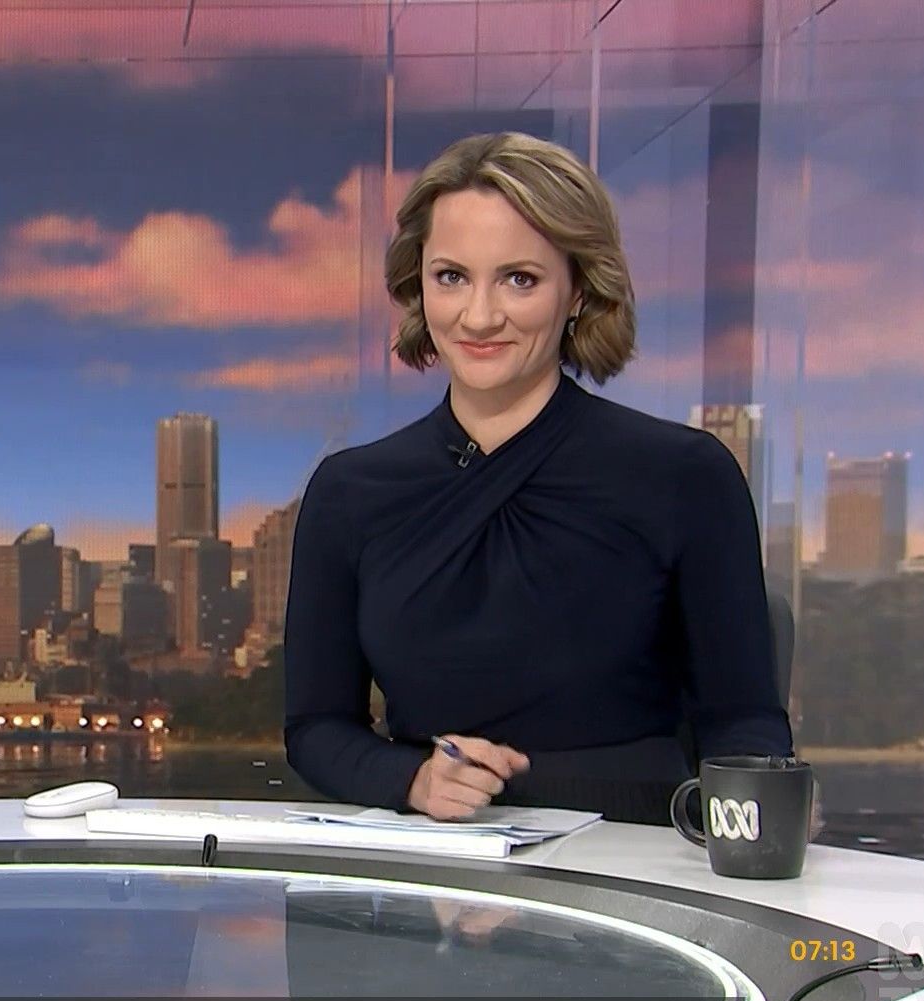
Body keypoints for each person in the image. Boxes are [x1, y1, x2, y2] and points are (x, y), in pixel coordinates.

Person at [283, 131, 793, 825]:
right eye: (451, 277)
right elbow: (316, 728)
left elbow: (743, 723)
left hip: (636, 853)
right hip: (438, 855)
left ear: (578, 290)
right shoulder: (349, 493)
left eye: (519, 279)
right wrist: (413, 781)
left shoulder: (684, 475)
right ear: (417, 286)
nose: (479, 316)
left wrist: (751, 827)